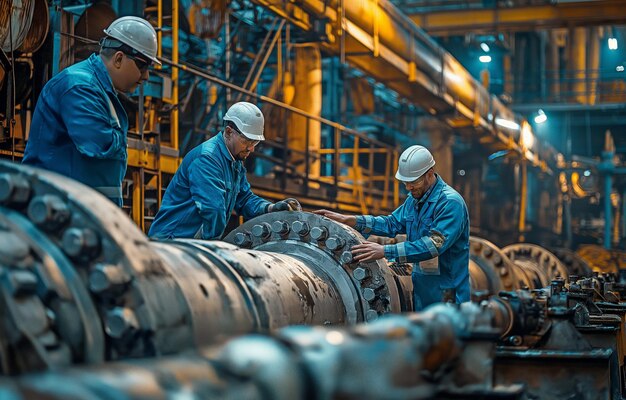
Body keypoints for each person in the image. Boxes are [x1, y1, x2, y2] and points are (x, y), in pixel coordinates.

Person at [23, 16, 160, 206]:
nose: (145, 76)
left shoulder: (101, 91)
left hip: (79, 210)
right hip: (54, 209)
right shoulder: (79, 86)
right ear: (119, 58)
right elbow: (98, 144)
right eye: (143, 65)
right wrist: (120, 138)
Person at [315, 145, 470, 310]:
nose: (408, 188)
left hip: (448, 295)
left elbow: (433, 245)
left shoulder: (450, 202)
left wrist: (385, 251)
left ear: (430, 174)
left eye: (413, 182)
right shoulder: (414, 201)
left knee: (448, 334)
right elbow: (391, 223)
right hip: (423, 291)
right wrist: (352, 220)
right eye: (405, 182)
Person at [148, 101, 301, 240]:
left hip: (188, 244)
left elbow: (245, 199)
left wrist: (272, 208)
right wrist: (213, 248)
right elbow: (213, 209)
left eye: (255, 142)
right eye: (247, 141)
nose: (252, 148)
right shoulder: (207, 159)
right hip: (171, 243)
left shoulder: (234, 161)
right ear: (228, 132)